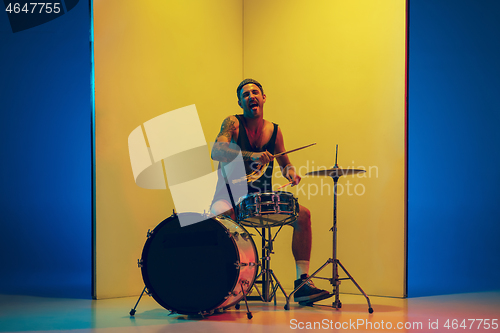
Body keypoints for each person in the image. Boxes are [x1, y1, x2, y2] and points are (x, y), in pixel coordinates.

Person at [210, 78, 330, 303]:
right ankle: (222, 284)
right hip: (230, 196)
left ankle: (302, 283)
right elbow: (217, 151)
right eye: (245, 94)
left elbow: (286, 163)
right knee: (220, 217)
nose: (251, 96)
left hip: (259, 198)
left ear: (264, 98)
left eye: (255, 92)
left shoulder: (274, 131)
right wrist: (251, 156)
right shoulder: (233, 123)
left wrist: (291, 173)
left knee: (303, 215)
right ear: (240, 102)